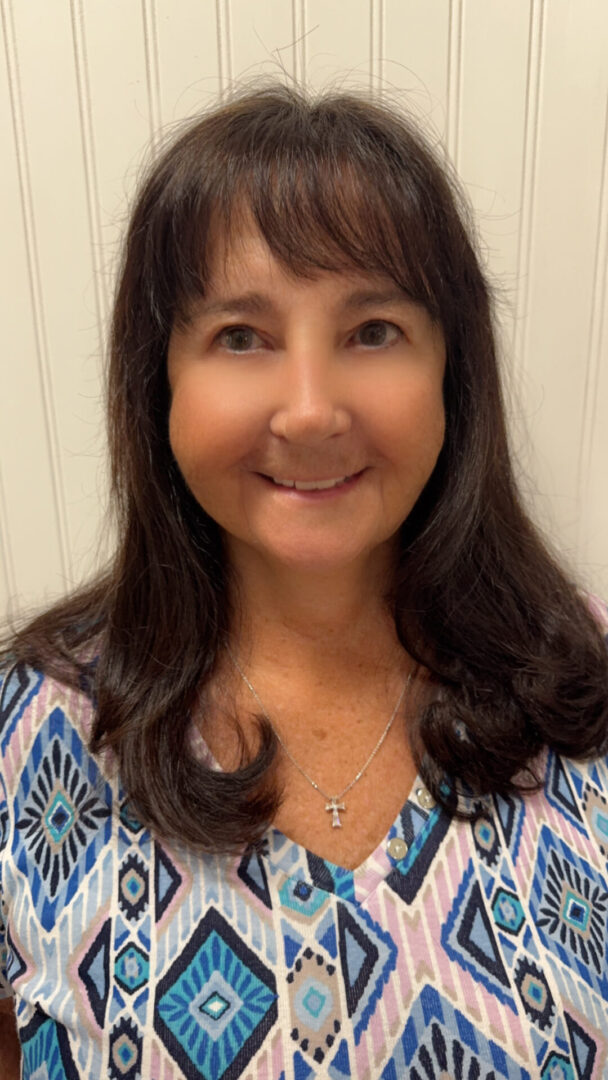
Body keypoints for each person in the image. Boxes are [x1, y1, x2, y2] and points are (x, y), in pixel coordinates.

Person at [1, 81, 607, 1080]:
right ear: (161, 383)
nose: (310, 410)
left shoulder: (582, 687)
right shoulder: (33, 730)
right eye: (241, 336)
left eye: (371, 331)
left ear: (450, 376)